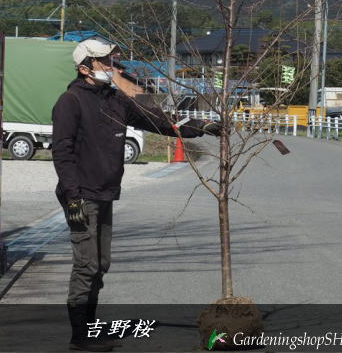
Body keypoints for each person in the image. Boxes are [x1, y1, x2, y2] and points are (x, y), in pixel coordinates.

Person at [52, 37, 221, 352]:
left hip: (104, 193)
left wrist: (202, 126)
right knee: (86, 264)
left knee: (101, 264)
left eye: (113, 61)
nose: (111, 67)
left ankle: (88, 328)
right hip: (82, 196)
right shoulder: (70, 102)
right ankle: (80, 336)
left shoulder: (114, 99)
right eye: (105, 62)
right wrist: (72, 197)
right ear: (84, 67)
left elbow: (157, 119)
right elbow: (61, 152)